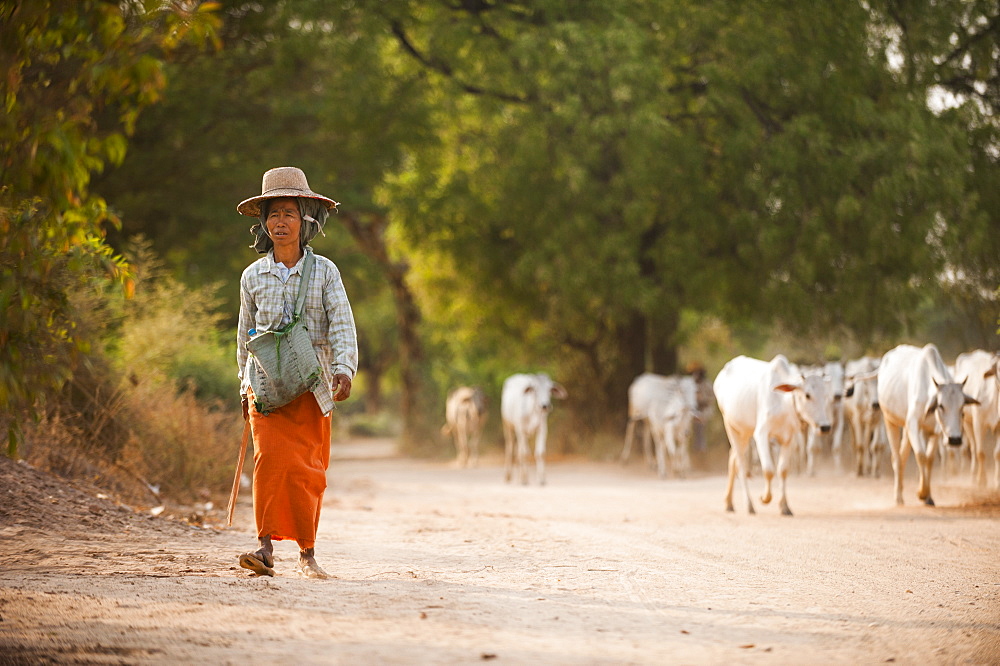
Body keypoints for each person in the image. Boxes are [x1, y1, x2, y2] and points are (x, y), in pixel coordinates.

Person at [235, 166, 358, 579]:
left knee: (308, 470)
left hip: (313, 385)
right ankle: (265, 547)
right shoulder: (252, 276)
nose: (279, 222)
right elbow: (243, 337)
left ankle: (307, 553)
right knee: (268, 462)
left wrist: (343, 370)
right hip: (266, 389)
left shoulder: (325, 272)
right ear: (263, 223)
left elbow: (341, 323)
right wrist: (242, 385)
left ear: (306, 221)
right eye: (272, 214)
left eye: (288, 212)